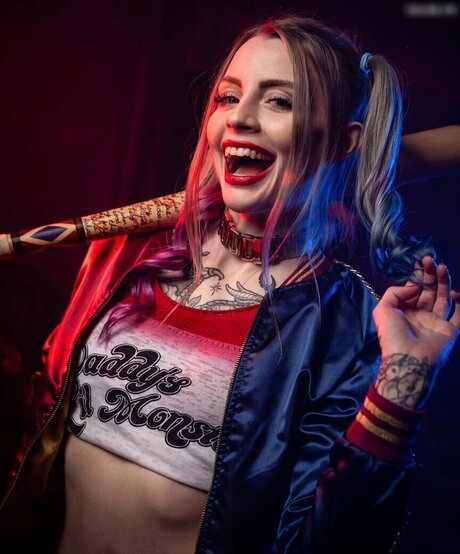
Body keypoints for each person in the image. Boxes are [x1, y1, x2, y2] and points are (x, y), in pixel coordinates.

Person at [1, 15, 459, 554]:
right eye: (228, 96)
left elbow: (328, 541)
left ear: (343, 142)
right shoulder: (127, 256)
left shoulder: (346, 323)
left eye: (279, 101)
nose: (239, 118)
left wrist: (402, 389)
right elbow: (42, 434)